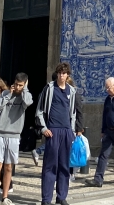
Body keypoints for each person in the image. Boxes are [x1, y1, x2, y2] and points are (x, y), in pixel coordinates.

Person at [36, 62, 79, 205]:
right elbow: (39, 111)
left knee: (64, 166)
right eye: (59, 73)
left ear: (67, 75)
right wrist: (43, 128)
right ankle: (46, 199)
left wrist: (72, 131)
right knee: (50, 166)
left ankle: (61, 196)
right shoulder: (49, 89)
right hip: (53, 130)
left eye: (64, 73)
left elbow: (73, 113)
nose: (61, 75)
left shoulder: (71, 91)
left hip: (66, 131)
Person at [0, 73, 33, 205]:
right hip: (0, 134)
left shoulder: (25, 95)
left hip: (14, 135)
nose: (18, 87)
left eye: (21, 85)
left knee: (8, 167)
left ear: (25, 84)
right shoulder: (5, 94)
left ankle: (5, 197)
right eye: (16, 84)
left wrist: (25, 89)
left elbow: (28, 102)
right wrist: (9, 94)